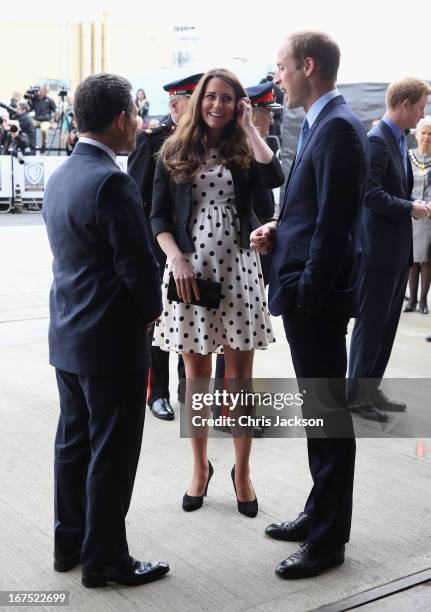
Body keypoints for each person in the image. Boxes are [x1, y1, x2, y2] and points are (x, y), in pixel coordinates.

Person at [43, 73, 169, 588]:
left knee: (74, 444)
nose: (139, 125)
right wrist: (150, 312)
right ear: (121, 119)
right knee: (112, 451)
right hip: (111, 340)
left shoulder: (62, 175)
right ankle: (106, 559)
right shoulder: (112, 181)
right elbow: (138, 269)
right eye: (135, 116)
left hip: (68, 336)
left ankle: (69, 543)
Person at [252, 31, 369, 579]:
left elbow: (337, 226)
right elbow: (311, 211)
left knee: (327, 419)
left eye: (281, 68)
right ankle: (318, 512)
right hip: (305, 289)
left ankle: (327, 541)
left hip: (315, 300)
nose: (277, 78)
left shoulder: (340, 127)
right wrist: (279, 226)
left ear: (308, 65)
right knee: (317, 413)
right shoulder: (322, 121)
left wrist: (307, 292)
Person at [151, 67, 284, 516]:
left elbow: (274, 179)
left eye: (228, 99)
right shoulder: (173, 148)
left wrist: (249, 126)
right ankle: (198, 468)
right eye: (211, 97)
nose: (217, 105)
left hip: (240, 272)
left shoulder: (246, 148)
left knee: (239, 383)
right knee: (196, 381)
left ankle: (242, 473)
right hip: (190, 274)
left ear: (238, 104)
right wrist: (176, 257)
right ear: (198, 100)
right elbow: (157, 218)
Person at [349, 78, 431, 422]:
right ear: (406, 105)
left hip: (396, 250)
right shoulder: (376, 141)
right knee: (370, 325)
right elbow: (369, 194)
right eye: (422, 105)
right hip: (378, 251)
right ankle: (355, 396)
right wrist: (410, 206)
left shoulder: (397, 139)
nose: (424, 114)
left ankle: (371, 388)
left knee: (387, 325)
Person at [128, 74, 203, 420]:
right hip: (158, 247)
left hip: (198, 248)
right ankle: (156, 392)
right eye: (194, 97)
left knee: (194, 319)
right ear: (174, 105)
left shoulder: (207, 140)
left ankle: (189, 390)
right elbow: (137, 201)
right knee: (159, 323)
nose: (204, 103)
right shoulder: (152, 140)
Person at [212, 81, 283, 437]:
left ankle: (230, 406)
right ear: (247, 112)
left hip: (256, 248)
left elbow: (272, 181)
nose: (269, 121)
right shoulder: (229, 148)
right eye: (264, 113)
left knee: (241, 335)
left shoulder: (260, 145)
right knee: (232, 334)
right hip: (233, 250)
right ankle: (228, 410)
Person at [404, 116, 431, 314]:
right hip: (413, 214)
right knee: (413, 259)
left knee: (427, 259)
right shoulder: (408, 155)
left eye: (430, 134)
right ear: (416, 134)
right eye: (423, 132)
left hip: (430, 217)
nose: (427, 137)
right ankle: (411, 300)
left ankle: (423, 301)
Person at [29, 85, 56, 153]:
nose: (43, 92)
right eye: (42, 91)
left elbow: (56, 111)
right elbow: (29, 109)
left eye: (45, 91)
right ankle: (30, 144)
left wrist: (55, 122)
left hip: (46, 121)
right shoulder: (35, 99)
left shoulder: (50, 100)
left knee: (44, 130)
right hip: (36, 119)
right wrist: (30, 100)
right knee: (28, 123)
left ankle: (43, 145)